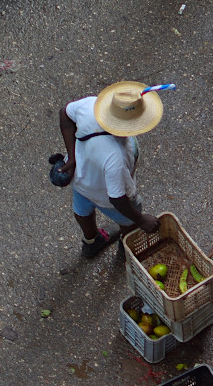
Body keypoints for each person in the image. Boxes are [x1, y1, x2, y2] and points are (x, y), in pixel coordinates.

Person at [56, 82, 165, 258]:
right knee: (129, 223)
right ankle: (127, 247)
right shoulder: (116, 156)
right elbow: (117, 198)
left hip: (80, 180)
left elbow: (65, 113)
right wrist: (141, 219)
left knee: (82, 211)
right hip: (106, 197)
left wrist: (72, 155)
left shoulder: (90, 105)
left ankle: (91, 242)